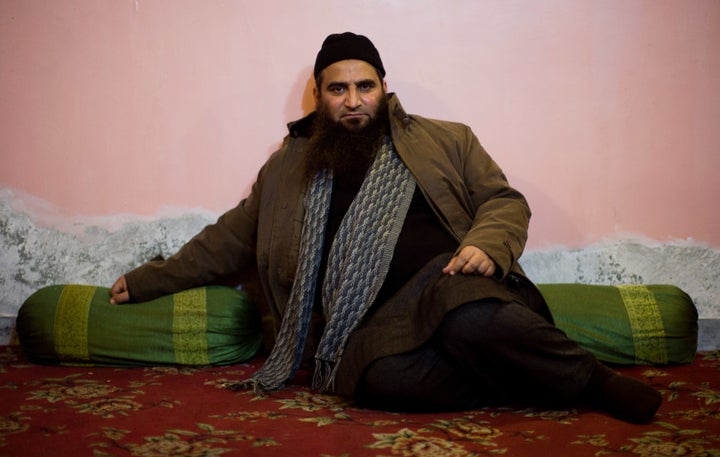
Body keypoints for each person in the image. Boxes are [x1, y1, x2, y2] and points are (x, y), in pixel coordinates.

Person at [110, 32, 662, 423]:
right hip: (367, 327)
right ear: (320, 97)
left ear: (383, 88)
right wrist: (148, 280)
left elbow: (503, 201)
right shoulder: (285, 169)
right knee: (379, 384)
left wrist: (485, 245)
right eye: (338, 89)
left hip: (451, 283)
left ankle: (593, 381)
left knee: (467, 319)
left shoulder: (447, 139)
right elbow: (227, 238)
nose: (353, 102)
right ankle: (530, 377)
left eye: (364, 87)